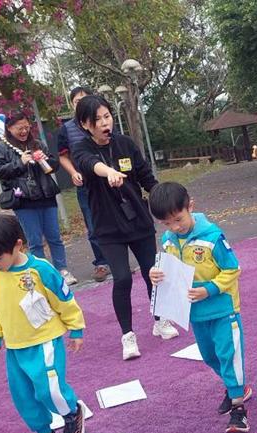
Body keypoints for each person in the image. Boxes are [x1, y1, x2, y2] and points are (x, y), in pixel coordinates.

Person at [0, 215, 87, 433]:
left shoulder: (40, 270)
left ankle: (71, 412)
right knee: (23, 396)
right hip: (15, 347)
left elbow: (64, 299)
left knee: (49, 390)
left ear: (18, 245)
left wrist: (76, 329)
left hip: (45, 341)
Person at [70, 94, 179, 360]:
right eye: (97, 120)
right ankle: (127, 335)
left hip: (138, 220)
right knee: (122, 278)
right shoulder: (81, 149)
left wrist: (169, 200)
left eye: (107, 116)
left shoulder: (126, 144)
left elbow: (146, 177)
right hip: (108, 227)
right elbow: (90, 165)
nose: (104, 123)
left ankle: (160, 320)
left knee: (152, 272)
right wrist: (108, 172)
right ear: (85, 124)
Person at [148, 182, 250, 433]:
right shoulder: (169, 241)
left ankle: (238, 408)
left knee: (229, 355)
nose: (175, 227)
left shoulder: (213, 237)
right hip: (195, 313)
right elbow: (169, 270)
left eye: (178, 219)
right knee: (210, 357)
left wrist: (210, 289)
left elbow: (233, 269)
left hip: (223, 310)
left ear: (190, 206)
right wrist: (155, 273)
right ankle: (235, 387)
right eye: (166, 223)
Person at [0, 111, 77, 286]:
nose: (24, 131)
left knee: (55, 237)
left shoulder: (37, 144)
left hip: (46, 195)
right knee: (35, 241)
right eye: (19, 128)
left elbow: (54, 166)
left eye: (26, 127)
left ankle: (62, 270)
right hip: (24, 200)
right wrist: (19, 162)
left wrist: (46, 160)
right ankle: (41, 273)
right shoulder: (1, 147)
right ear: (9, 128)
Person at [58, 86, 110, 283]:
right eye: (77, 101)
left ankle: (117, 259)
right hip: (86, 185)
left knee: (114, 218)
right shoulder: (67, 129)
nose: (81, 104)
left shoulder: (103, 122)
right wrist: (73, 172)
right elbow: (63, 156)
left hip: (107, 180)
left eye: (85, 99)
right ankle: (101, 263)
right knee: (93, 224)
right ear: (72, 105)